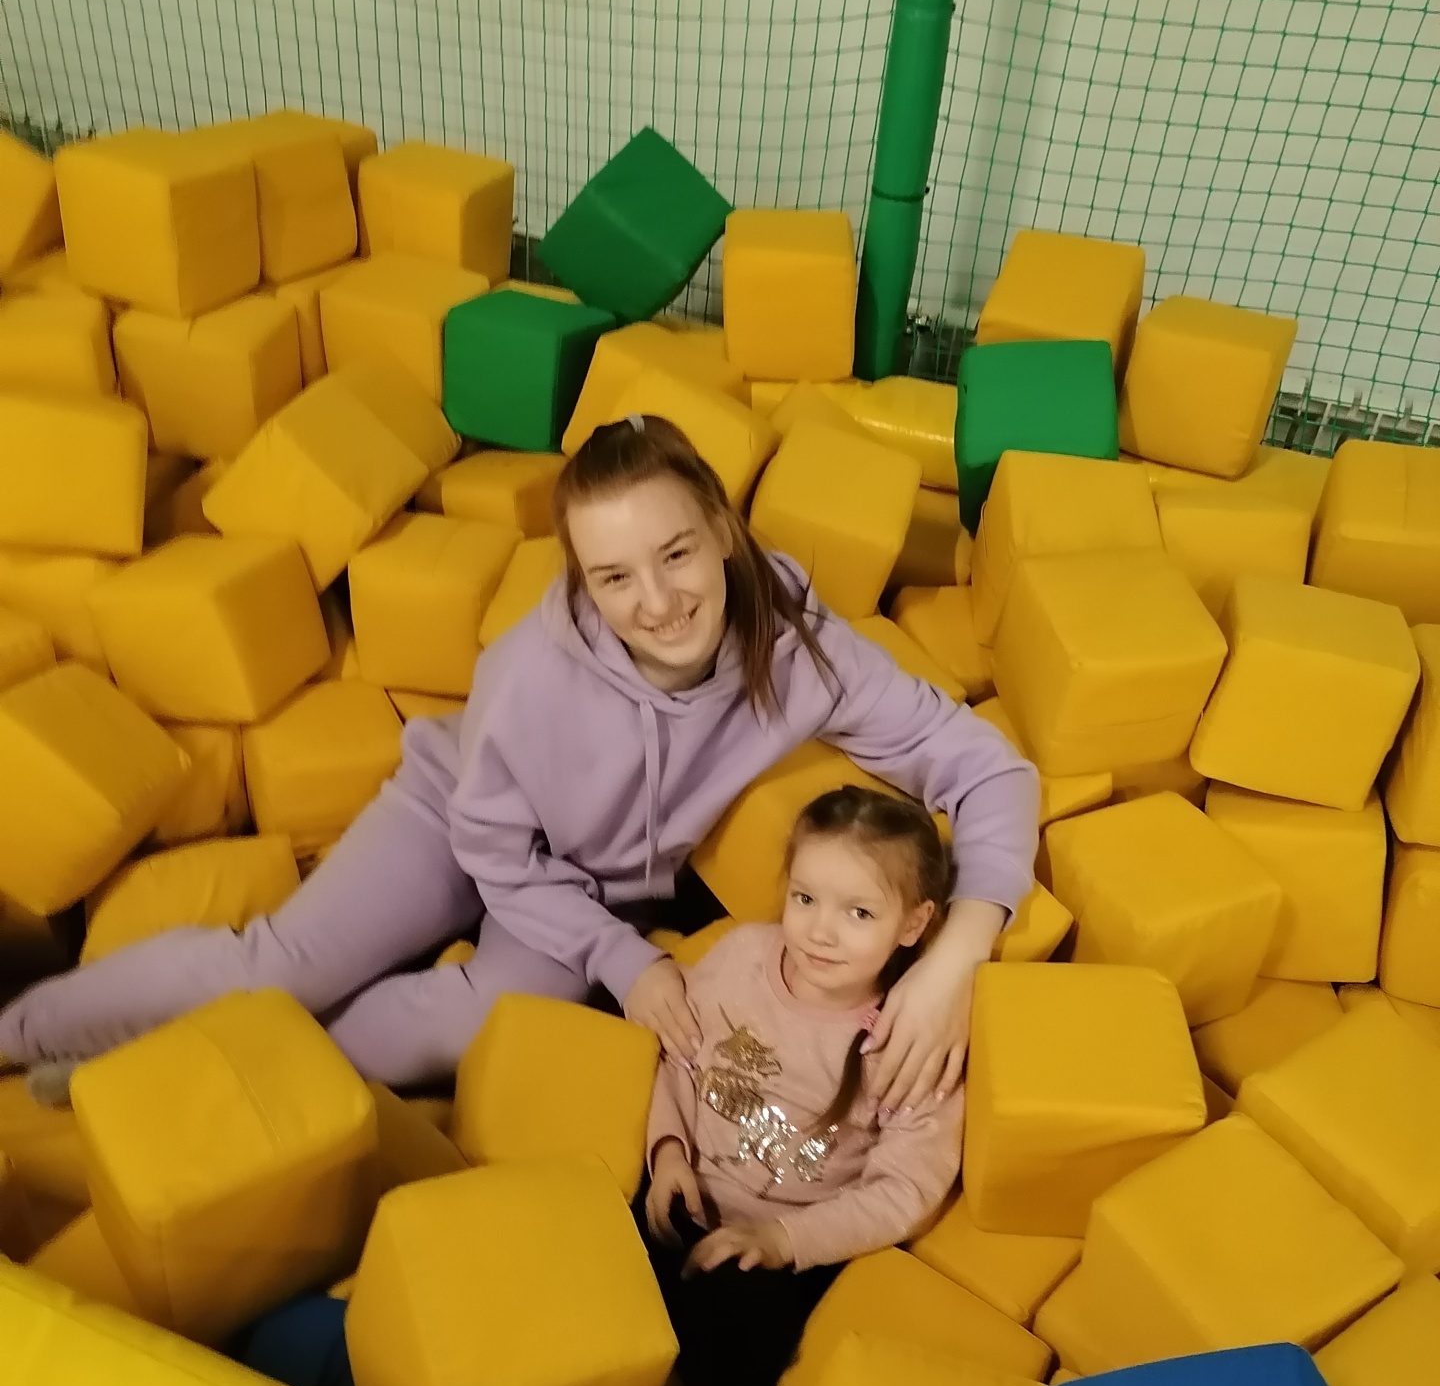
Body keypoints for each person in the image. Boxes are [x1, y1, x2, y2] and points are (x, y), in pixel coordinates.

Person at [0, 414, 1038, 1105]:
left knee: (461, 1028)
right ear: (583, 579)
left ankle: (151, 1079)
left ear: (722, 530)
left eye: (677, 554)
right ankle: (19, 1031)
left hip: (586, 887)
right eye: (615, 577)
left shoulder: (800, 646)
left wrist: (959, 951)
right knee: (284, 967)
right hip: (458, 822)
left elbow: (989, 769)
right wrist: (625, 962)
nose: (658, 602)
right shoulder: (531, 671)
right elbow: (495, 849)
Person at [638, 784, 964, 1386]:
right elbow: (679, 1055)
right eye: (806, 898)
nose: (820, 931)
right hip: (686, 1195)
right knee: (602, 1278)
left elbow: (907, 1190)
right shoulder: (743, 958)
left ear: (913, 924)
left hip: (789, 1249)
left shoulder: (908, 1038)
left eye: (859, 913)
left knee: (725, 1352)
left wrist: (782, 1240)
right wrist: (668, 1152)